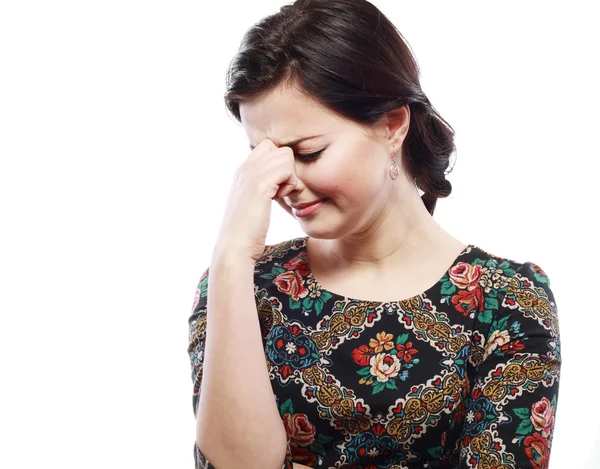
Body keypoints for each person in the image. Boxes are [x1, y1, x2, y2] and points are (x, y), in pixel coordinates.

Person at [187, 0, 562, 468]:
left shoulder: (507, 300)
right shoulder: (240, 285)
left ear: (391, 125)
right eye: (263, 158)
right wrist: (230, 253)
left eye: (307, 152)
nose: (281, 183)